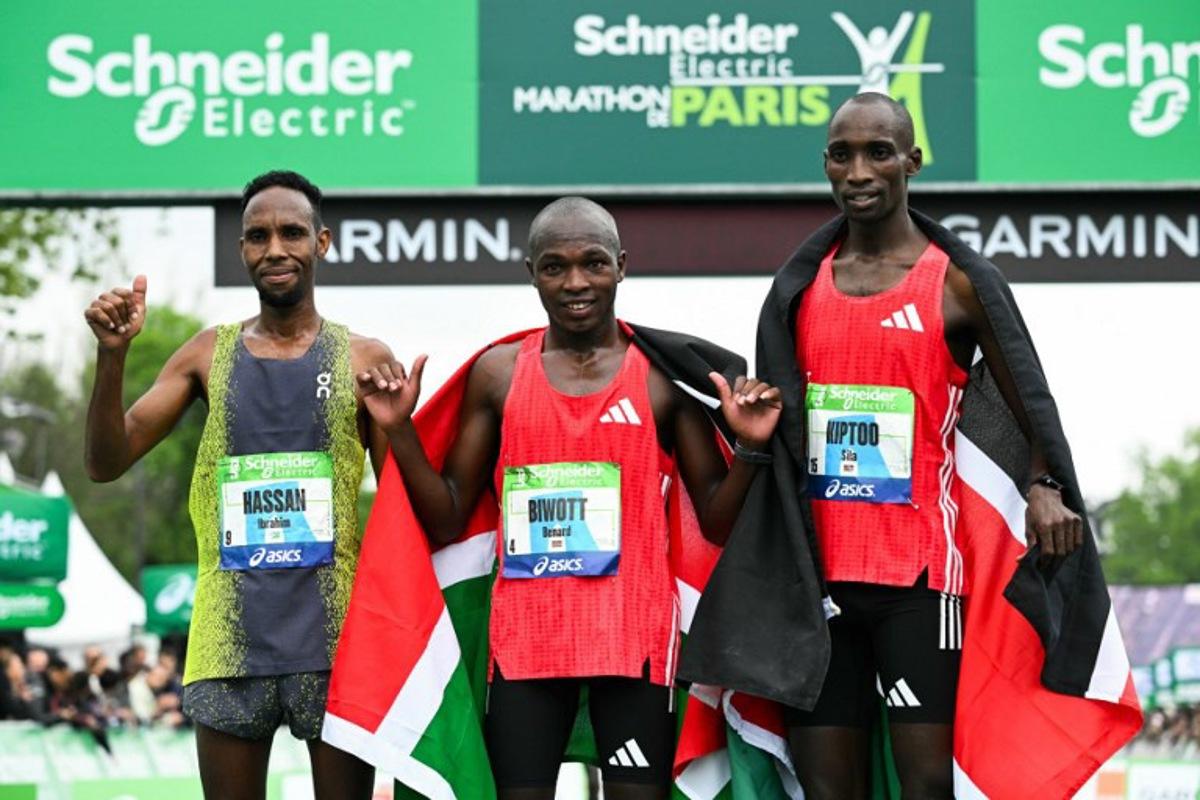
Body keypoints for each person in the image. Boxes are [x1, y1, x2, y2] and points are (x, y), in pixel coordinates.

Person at [677, 92, 1138, 799]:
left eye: (879, 152)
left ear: (911, 163)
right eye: (842, 154)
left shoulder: (956, 285)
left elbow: (1031, 408)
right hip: (818, 587)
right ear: (825, 166)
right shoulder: (799, 290)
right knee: (829, 789)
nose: (859, 170)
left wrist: (1044, 490)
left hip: (919, 587)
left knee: (925, 786)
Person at [355, 197, 782, 799]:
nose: (576, 282)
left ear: (621, 266)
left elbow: (715, 519)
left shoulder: (662, 379)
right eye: (554, 267)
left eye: (594, 263)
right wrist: (399, 429)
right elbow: (448, 516)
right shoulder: (499, 375)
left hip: (632, 645)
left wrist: (753, 449)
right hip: (527, 648)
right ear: (531, 272)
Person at [83, 170, 390, 800]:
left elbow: (409, 504)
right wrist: (112, 357)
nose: (275, 248)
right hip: (228, 644)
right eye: (258, 236)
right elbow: (106, 462)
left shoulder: (363, 358)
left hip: (335, 644)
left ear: (322, 242)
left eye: (292, 232)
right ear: (242, 249)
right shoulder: (205, 355)